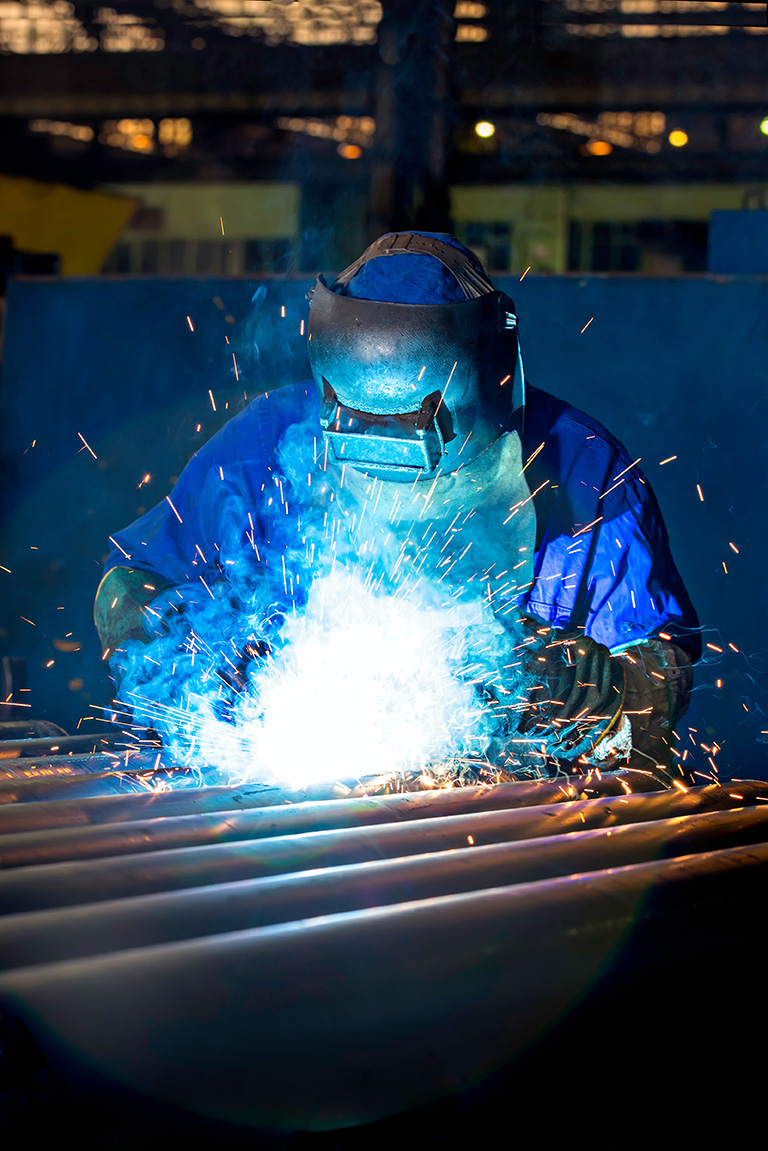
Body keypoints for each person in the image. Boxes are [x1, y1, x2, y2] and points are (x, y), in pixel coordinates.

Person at [95, 232, 700, 780]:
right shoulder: (265, 441)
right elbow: (127, 584)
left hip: (517, 816)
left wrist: (602, 697)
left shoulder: (587, 472)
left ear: (487, 380)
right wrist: (189, 649)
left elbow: (662, 672)